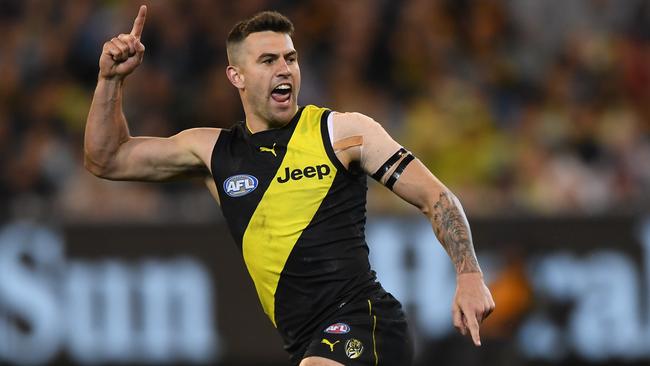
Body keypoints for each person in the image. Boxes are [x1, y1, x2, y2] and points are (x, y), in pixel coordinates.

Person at [84, 5, 495, 366]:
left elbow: (435, 196)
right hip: (306, 341)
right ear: (237, 76)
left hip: (365, 322)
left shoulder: (342, 133)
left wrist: (469, 275)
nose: (284, 69)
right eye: (267, 60)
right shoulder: (212, 152)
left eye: (290, 58)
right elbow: (107, 158)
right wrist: (110, 80)